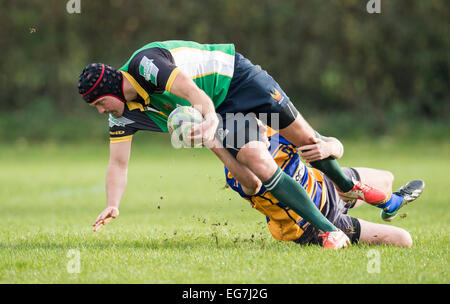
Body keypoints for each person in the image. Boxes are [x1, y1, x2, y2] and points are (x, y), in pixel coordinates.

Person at [78, 40, 391, 246]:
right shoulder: (121, 116)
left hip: (236, 78)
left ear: (112, 86)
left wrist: (208, 117)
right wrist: (112, 204)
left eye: (99, 103)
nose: (102, 110)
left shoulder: (145, 64)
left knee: (309, 142)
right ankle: (330, 231)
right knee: (258, 162)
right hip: (220, 112)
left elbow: (190, 92)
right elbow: (117, 163)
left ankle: (346, 183)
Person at [219, 126, 425, 248]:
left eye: (257, 124)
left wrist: (328, 148)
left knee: (387, 178)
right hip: (313, 225)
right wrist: (213, 142)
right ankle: (382, 203)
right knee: (403, 240)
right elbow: (253, 185)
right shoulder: (237, 173)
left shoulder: (276, 129)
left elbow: (336, 145)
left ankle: (391, 204)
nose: (261, 132)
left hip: (328, 185)